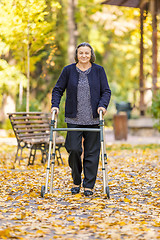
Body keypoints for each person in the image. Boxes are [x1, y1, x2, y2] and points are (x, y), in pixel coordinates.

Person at [51, 42, 111, 196]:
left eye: (87, 53)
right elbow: (58, 89)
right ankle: (76, 180)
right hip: (74, 118)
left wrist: (102, 106)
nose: (84, 55)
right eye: (81, 53)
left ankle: (88, 186)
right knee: (74, 149)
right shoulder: (68, 70)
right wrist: (55, 105)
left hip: (93, 119)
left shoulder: (98, 71)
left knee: (92, 153)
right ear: (76, 55)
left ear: (91, 55)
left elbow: (106, 91)